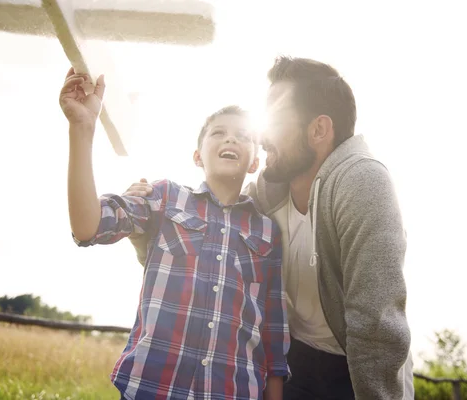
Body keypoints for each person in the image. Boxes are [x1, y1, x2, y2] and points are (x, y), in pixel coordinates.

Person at [125, 56, 414, 399]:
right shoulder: (266, 192)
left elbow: (376, 324)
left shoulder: (362, 183)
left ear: (318, 130)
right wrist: (145, 232)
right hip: (295, 360)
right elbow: (208, 243)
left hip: (354, 369)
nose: (261, 136)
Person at [59, 67, 290, 400]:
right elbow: (88, 226)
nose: (230, 139)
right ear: (198, 157)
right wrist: (82, 128)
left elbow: (273, 337)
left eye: (243, 135)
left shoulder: (267, 232)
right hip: (154, 390)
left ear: (254, 162)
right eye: (218, 133)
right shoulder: (165, 198)